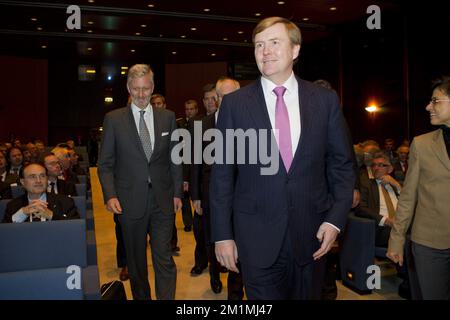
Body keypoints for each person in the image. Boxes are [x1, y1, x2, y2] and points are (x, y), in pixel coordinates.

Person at [210, 17, 354, 300]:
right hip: (255, 240)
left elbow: (342, 165)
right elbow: (222, 174)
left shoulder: (324, 101)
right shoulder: (234, 105)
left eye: (275, 43)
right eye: (259, 45)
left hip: (312, 237)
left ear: (295, 50)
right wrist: (222, 235)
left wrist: (335, 220)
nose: (265, 51)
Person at [98, 64, 183, 300]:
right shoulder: (114, 119)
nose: (141, 95)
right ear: (128, 88)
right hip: (128, 201)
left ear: (153, 87)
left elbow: (175, 159)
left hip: (162, 200)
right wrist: (110, 194)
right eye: (136, 89)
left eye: (146, 89)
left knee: (164, 259)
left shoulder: (167, 118)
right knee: (136, 264)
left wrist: (177, 192)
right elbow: (105, 164)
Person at [388, 76, 450, 299]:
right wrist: (396, 238)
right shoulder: (422, 144)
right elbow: (408, 196)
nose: (428, 107)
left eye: (435, 101)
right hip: (429, 245)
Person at [191, 77, 244, 297]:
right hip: (211, 193)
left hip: (242, 195)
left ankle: (235, 289)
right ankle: (214, 274)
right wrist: (195, 196)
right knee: (213, 238)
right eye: (226, 96)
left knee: (240, 241)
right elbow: (195, 163)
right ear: (217, 98)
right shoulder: (202, 125)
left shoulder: (249, 122)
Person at [2, 163, 79, 223]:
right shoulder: (13, 205)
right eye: (32, 177)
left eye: (42, 176)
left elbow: (75, 228)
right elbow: (4, 234)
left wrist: (51, 216)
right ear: (22, 182)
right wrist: (22, 214)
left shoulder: (65, 202)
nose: (38, 181)